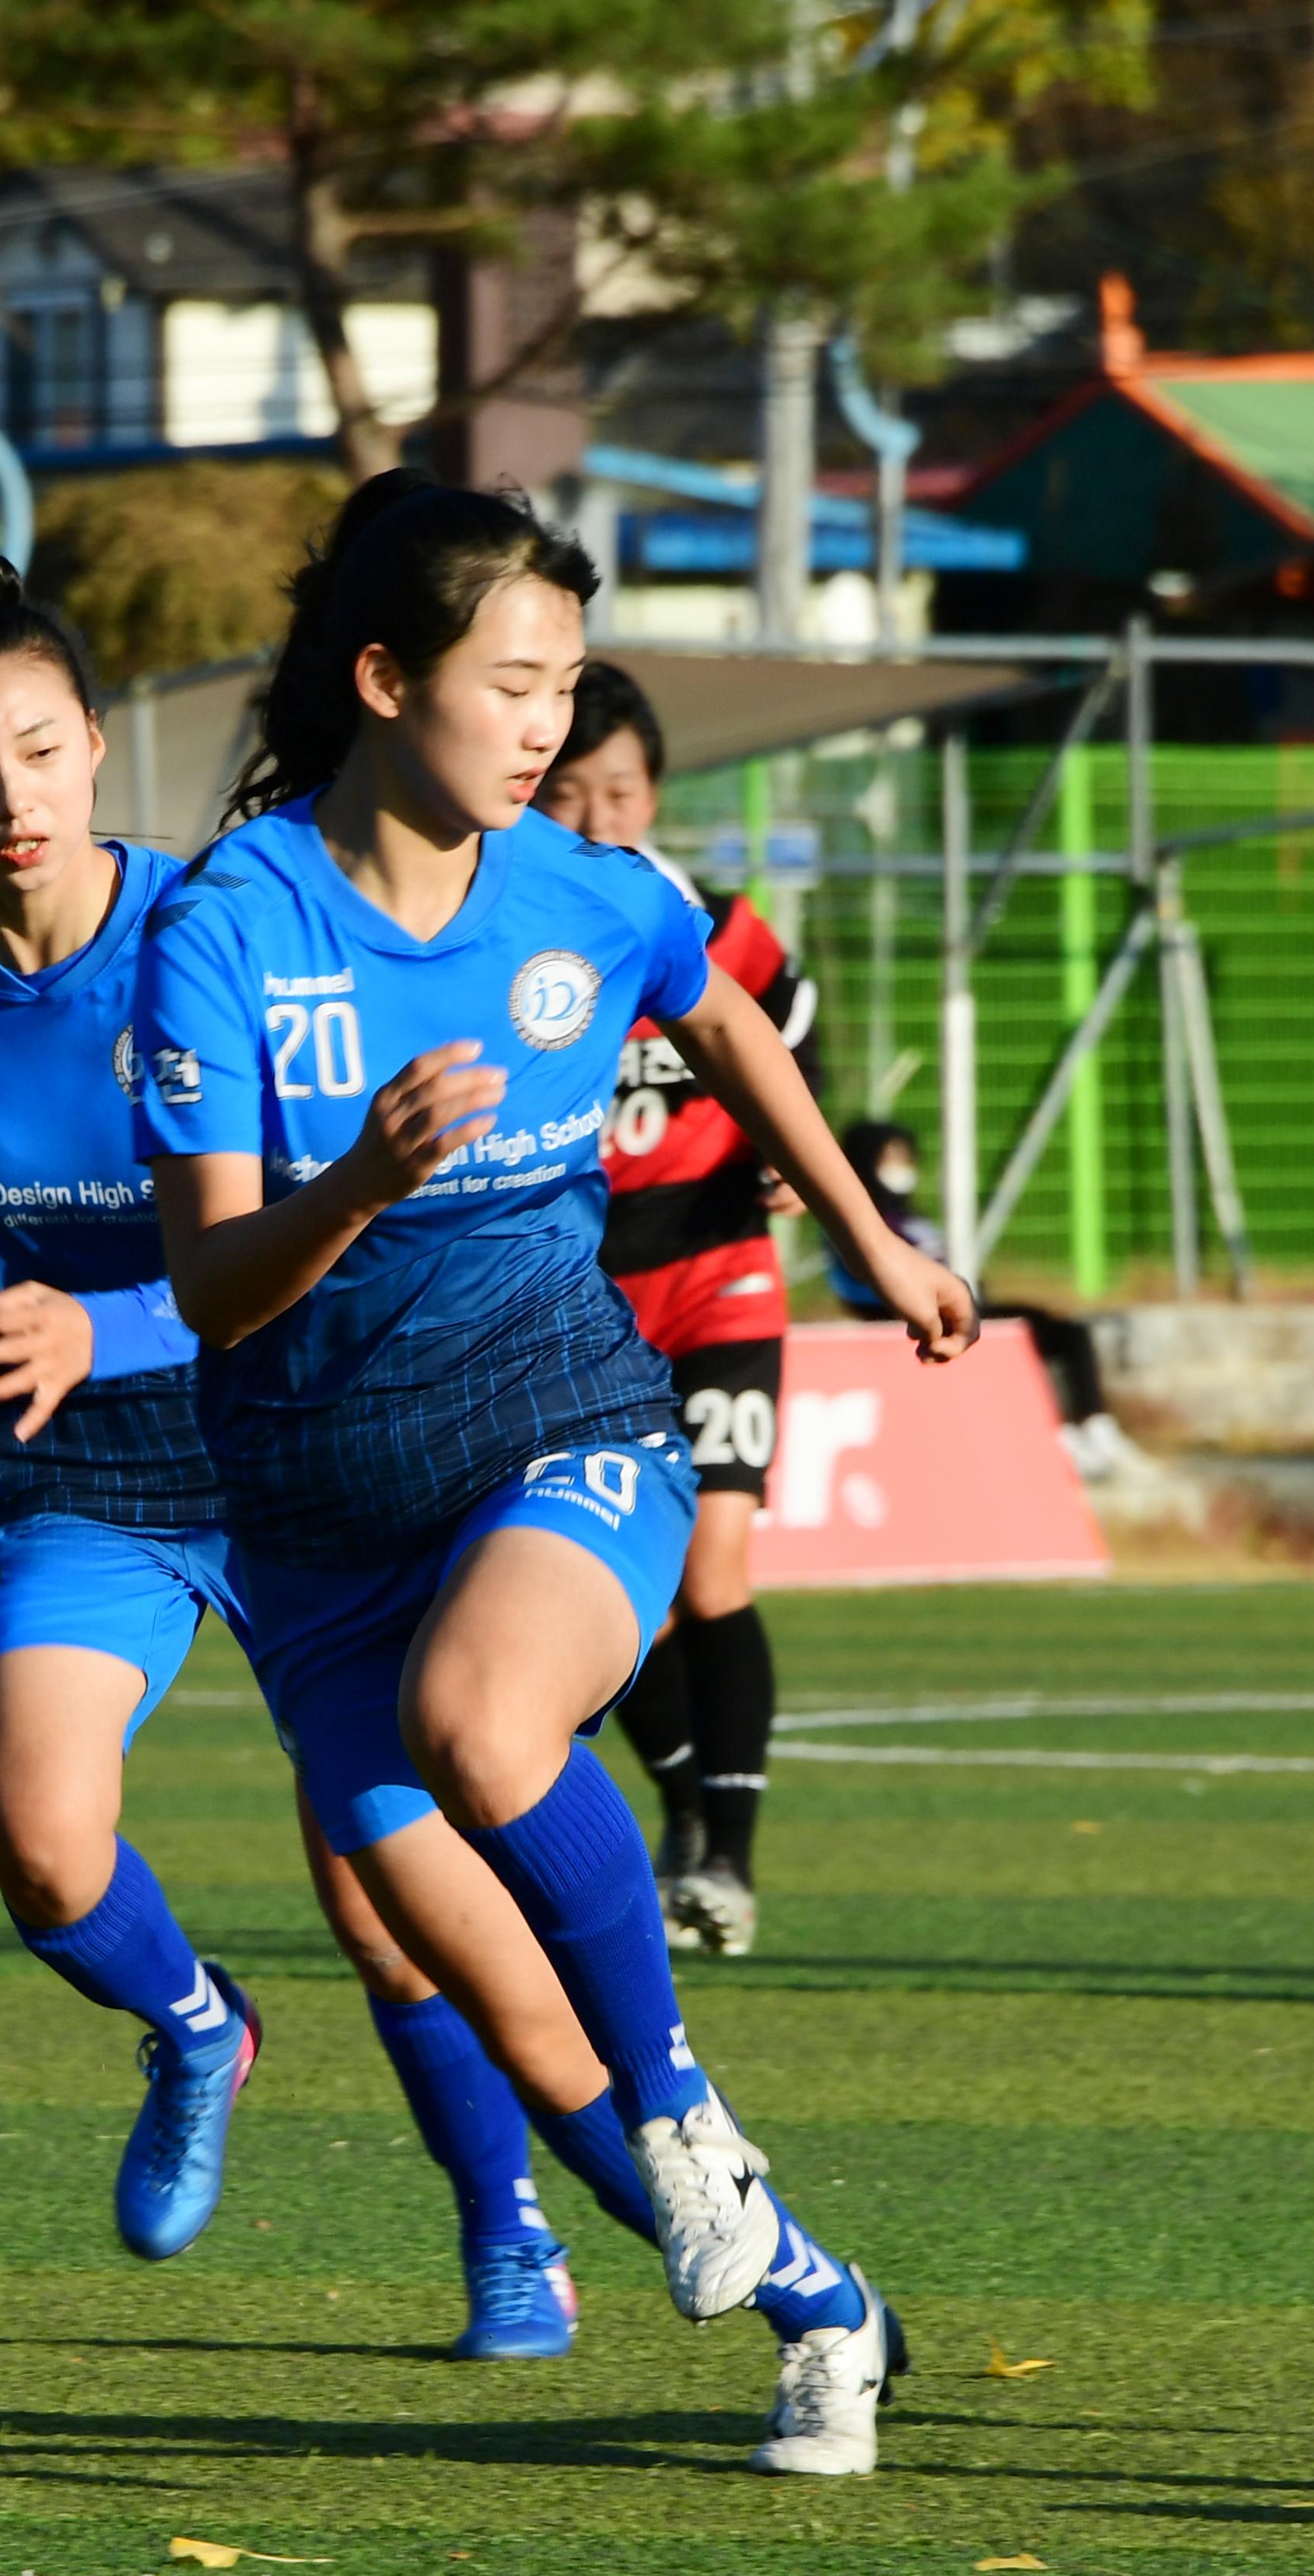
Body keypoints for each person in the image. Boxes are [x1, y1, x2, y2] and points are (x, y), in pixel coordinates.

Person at [135, 472, 983, 2472]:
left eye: (567, 684)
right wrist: (361, 1178)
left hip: (565, 1422)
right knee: (504, 2008)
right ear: (380, 676)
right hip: (317, 1512)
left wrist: (873, 1237)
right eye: (514, 683)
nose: (550, 726)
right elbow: (211, 1283)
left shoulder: (589, 886)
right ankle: (823, 2305)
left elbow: (732, 1021)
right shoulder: (232, 928)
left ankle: (689, 2117)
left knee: (487, 1721)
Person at [0, 545, 621, 2357]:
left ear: (97, 746)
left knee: (390, 1899)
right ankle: (196, 2023)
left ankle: (510, 2228)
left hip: (296, 1450)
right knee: (39, 1845)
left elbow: (296, 1242)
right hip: (82, 1479)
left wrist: (99, 1322)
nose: (5, 796)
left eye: (37, 748)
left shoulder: (223, 931)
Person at [533, 662, 814, 1956]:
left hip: (719, 1276)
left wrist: (785, 1153)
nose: (601, 815)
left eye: (624, 789)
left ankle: (729, 1868)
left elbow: (791, 1027)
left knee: (717, 1567)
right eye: (571, 789)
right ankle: (687, 1814)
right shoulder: (520, 927)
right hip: (584, 1298)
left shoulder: (705, 923)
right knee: (622, 1598)